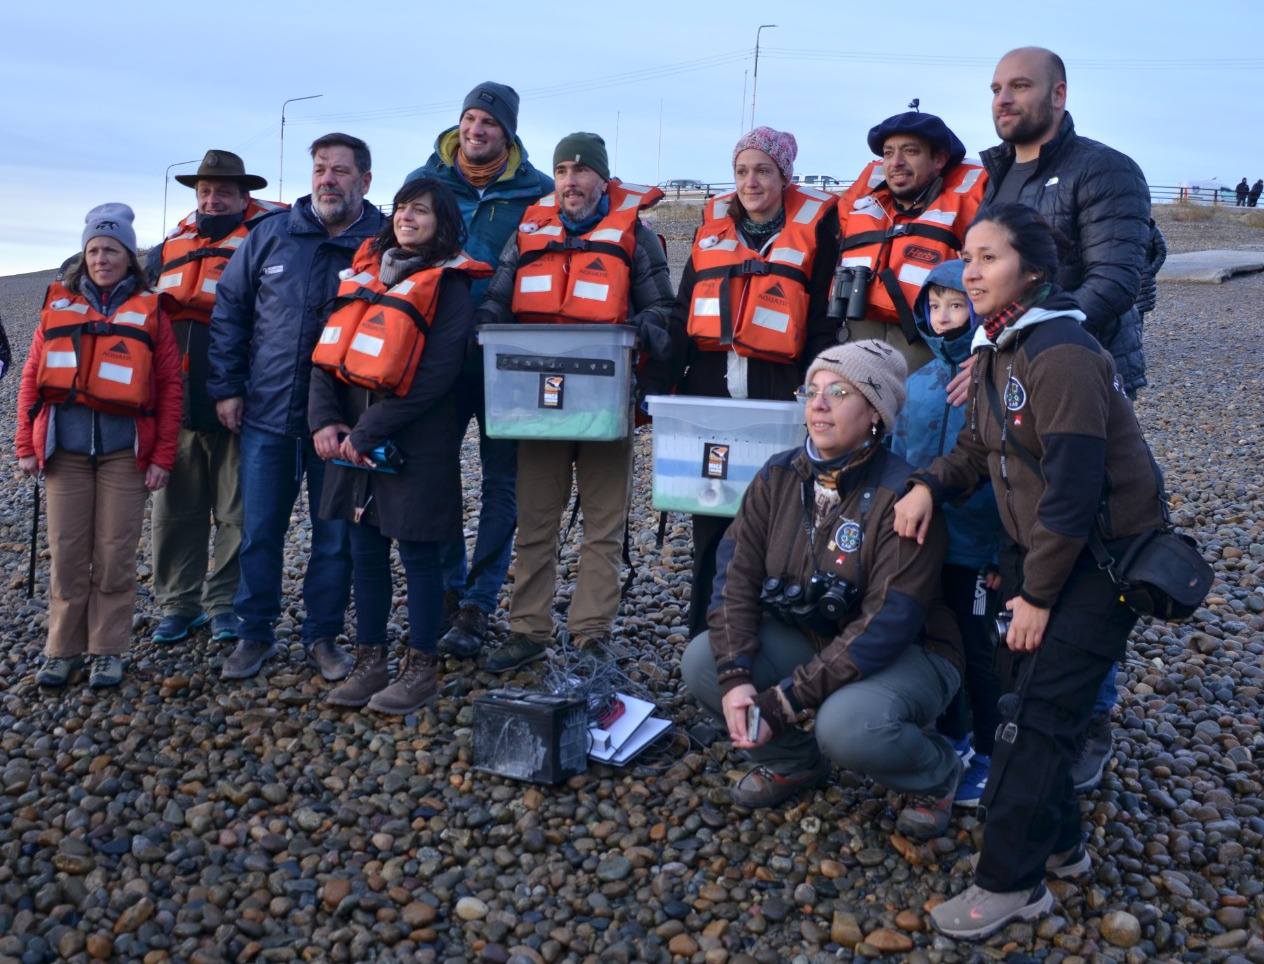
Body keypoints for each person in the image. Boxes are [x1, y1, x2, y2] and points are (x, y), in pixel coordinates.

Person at [894, 204, 1166, 938]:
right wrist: (927, 484)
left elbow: (1076, 493)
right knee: (1022, 703)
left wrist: (1038, 597)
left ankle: (1011, 884)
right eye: (966, 257)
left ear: (1035, 271)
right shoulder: (996, 349)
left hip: (1099, 562)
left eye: (988, 258)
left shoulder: (1063, 354)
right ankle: (1065, 849)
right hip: (1035, 554)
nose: (971, 271)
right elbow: (982, 451)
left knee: (1032, 721)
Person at [682, 340, 964, 838]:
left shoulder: (905, 495)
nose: (818, 403)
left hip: (908, 653)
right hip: (812, 637)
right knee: (705, 661)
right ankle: (794, 760)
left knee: (846, 726)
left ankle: (936, 774)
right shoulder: (777, 475)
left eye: (839, 392)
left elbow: (887, 624)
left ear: (876, 413)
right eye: (811, 390)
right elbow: (734, 580)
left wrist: (786, 700)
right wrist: (736, 675)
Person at [476, 132, 675, 672]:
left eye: (581, 171)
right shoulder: (528, 232)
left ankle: (590, 633)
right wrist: (487, 329)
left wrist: (641, 332)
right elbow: (496, 298)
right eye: (562, 170)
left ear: (602, 180)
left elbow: (663, 310)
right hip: (535, 405)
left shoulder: (636, 235)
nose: (569, 181)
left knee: (603, 526)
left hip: (604, 403)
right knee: (535, 523)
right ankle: (528, 630)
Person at [208, 133, 385, 681]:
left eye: (339, 170)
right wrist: (227, 388)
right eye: (319, 170)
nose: (327, 180)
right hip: (267, 413)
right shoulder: (270, 236)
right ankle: (253, 633)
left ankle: (322, 636)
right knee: (260, 530)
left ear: (365, 180)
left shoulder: (383, 242)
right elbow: (230, 313)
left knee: (334, 538)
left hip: (342, 422)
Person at [309, 178, 488, 712]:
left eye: (423, 212)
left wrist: (368, 431)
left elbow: (435, 377)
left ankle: (421, 667)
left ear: (443, 222)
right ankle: (370, 661)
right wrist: (324, 421)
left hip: (415, 442)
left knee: (418, 555)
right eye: (403, 208)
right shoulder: (363, 276)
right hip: (350, 439)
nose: (409, 218)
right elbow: (327, 356)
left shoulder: (450, 287)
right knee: (365, 552)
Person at [668, 126, 841, 638]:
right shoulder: (710, 233)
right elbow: (683, 315)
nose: (751, 181)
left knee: (775, 525)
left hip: (778, 397)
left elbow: (823, 325)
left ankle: (768, 641)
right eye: (742, 171)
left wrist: (815, 393)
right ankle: (705, 636)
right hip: (712, 397)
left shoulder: (816, 236)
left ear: (785, 176)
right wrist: (656, 384)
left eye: (763, 170)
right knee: (710, 525)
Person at [405, 82, 553, 660]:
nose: (477, 130)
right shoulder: (424, 184)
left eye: (489, 122)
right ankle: (446, 586)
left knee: (503, 483)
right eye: (469, 118)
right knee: (435, 474)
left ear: (507, 131)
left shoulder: (537, 192)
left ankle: (479, 602)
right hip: (433, 354)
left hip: (505, 355)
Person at [16, 204, 182, 688]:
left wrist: (162, 457)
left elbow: (170, 388)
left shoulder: (151, 313)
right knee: (67, 554)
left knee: (115, 554)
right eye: (94, 250)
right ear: (83, 255)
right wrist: (26, 444)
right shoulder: (56, 307)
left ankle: (107, 649)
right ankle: (62, 649)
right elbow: (31, 377)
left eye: (112, 250)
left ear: (130, 257)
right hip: (65, 453)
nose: (102, 258)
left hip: (123, 456)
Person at [146, 150, 285, 647]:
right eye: (205, 190)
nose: (212, 198)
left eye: (223, 191)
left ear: (245, 196)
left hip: (238, 403)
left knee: (236, 512)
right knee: (175, 512)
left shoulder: (267, 242)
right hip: (175, 405)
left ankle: (224, 603)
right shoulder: (165, 250)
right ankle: (178, 604)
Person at [889, 260, 1003, 808]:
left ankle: (989, 750)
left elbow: (1008, 467)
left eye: (957, 305)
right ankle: (952, 734)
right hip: (920, 540)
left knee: (979, 646)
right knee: (934, 638)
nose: (944, 317)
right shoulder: (919, 381)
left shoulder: (996, 377)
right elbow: (894, 458)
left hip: (977, 541)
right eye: (933, 306)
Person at [979, 47, 1151, 399]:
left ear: (1059, 94)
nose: (1003, 100)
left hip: (1080, 368)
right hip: (1003, 365)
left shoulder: (1104, 168)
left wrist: (1027, 342)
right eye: (996, 90)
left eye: (1020, 86)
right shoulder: (995, 177)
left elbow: (1113, 282)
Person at [1071, 214, 1170, 793]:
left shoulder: (1104, 185)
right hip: (1035, 375)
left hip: (1092, 377)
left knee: (1096, 554)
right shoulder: (1013, 181)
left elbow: (1129, 278)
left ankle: (1093, 717)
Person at [834, 110, 987, 373]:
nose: (896, 162)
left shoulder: (974, 213)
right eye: (888, 153)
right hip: (858, 342)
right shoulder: (861, 206)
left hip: (929, 355)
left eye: (910, 152)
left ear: (939, 159)